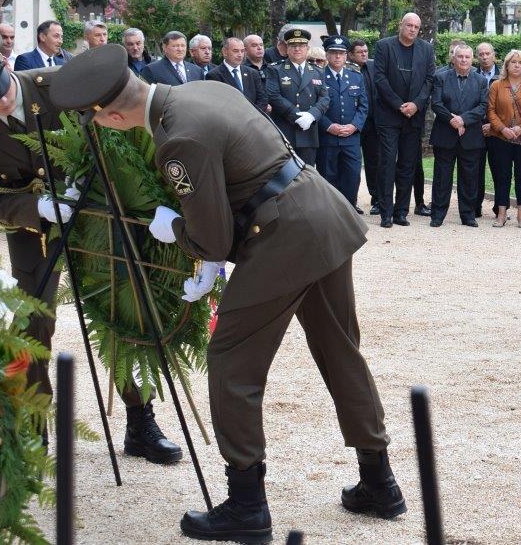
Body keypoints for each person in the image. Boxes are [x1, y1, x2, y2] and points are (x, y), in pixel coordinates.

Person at [48, 44, 404, 541]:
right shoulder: (202, 89)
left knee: (232, 358)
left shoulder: (177, 138)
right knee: (339, 348)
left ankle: (246, 506)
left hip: (283, 233)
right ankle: (379, 481)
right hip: (320, 210)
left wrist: (176, 230)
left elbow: (212, 237)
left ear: (110, 116)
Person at [0, 31, 183, 463]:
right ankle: (33, 424)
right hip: (34, 228)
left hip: (94, 218)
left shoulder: (58, 87)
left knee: (120, 311)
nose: (0, 103)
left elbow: (114, 139)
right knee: (33, 321)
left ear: (7, 65)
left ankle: (140, 420)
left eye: (1, 91)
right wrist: (39, 208)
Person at [372, 13, 435, 228]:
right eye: (409, 25)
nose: (412, 29)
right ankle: (386, 212)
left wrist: (416, 104)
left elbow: (429, 80)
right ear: (401, 25)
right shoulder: (384, 46)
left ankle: (401, 211)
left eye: (416, 27)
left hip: (413, 117)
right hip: (390, 114)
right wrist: (399, 104)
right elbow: (379, 78)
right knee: (388, 163)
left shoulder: (426, 49)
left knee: (408, 165)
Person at [428, 44, 489, 227]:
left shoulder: (480, 81)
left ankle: (468, 215)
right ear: (453, 59)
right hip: (445, 134)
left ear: (472, 59)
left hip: (470, 136)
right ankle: (438, 215)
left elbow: (483, 106)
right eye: (460, 57)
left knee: (469, 177)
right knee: (441, 177)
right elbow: (436, 104)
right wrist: (452, 120)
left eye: (467, 57)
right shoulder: (441, 77)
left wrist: (463, 120)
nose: (463, 60)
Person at [486, 49, 521, 228]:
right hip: (501, 138)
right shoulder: (497, 85)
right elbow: (490, 111)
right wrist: (502, 128)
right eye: (513, 62)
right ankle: (501, 213)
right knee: (503, 176)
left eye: (520, 62)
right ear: (507, 65)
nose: (516, 65)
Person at [266, 27, 331, 167]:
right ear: (287, 49)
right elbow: (273, 95)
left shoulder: (317, 71)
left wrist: (311, 116)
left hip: (308, 132)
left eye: (301, 45)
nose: (297, 49)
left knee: (306, 175)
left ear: (307, 48)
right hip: (285, 130)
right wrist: (295, 114)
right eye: (293, 45)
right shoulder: (275, 69)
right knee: (285, 175)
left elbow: (325, 98)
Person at [318, 35, 369, 211]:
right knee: (328, 175)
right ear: (327, 55)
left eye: (341, 53)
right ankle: (331, 212)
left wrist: (354, 126)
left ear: (346, 55)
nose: (337, 57)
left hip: (351, 138)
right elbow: (314, 107)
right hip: (328, 138)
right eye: (333, 53)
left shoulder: (356, 77)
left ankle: (349, 209)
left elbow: (363, 106)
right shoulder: (318, 76)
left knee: (353, 175)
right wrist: (328, 126)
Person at [350, 38, 382, 214]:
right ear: (351, 54)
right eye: (359, 52)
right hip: (353, 123)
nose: (364, 54)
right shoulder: (347, 69)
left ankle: (377, 199)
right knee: (353, 164)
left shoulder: (373, 66)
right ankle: (351, 200)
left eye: (365, 51)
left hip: (373, 123)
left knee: (374, 163)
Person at [472, 42, 501, 218]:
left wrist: (494, 124)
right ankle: (475, 206)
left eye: (487, 53)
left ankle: (500, 207)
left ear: (493, 55)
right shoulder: (472, 75)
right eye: (481, 54)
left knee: (499, 169)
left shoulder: (503, 75)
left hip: (497, 130)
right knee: (476, 170)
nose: (484, 57)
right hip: (476, 129)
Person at [206, 36, 268, 112]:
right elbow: (217, 103)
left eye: (242, 51)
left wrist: (252, 114)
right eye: (236, 51)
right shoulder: (214, 75)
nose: (240, 55)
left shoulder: (252, 73)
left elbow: (262, 99)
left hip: (253, 119)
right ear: (225, 52)